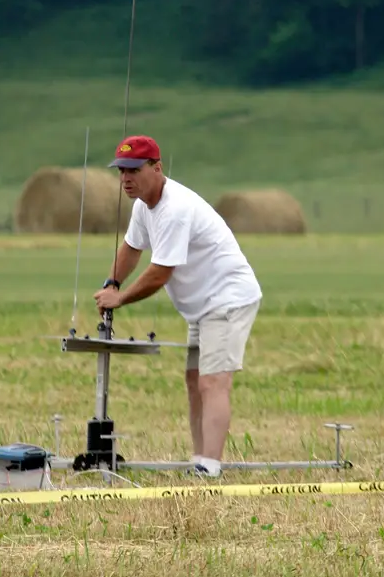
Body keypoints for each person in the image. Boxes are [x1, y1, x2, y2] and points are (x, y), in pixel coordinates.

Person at [94, 135, 262, 477]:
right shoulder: (143, 204)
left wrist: (121, 299)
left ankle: (209, 467)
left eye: (133, 170)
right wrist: (112, 282)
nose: (125, 178)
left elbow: (160, 273)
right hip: (202, 306)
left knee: (213, 382)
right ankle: (200, 459)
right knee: (194, 379)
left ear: (157, 168)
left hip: (227, 298)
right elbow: (131, 248)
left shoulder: (175, 208)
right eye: (121, 171)